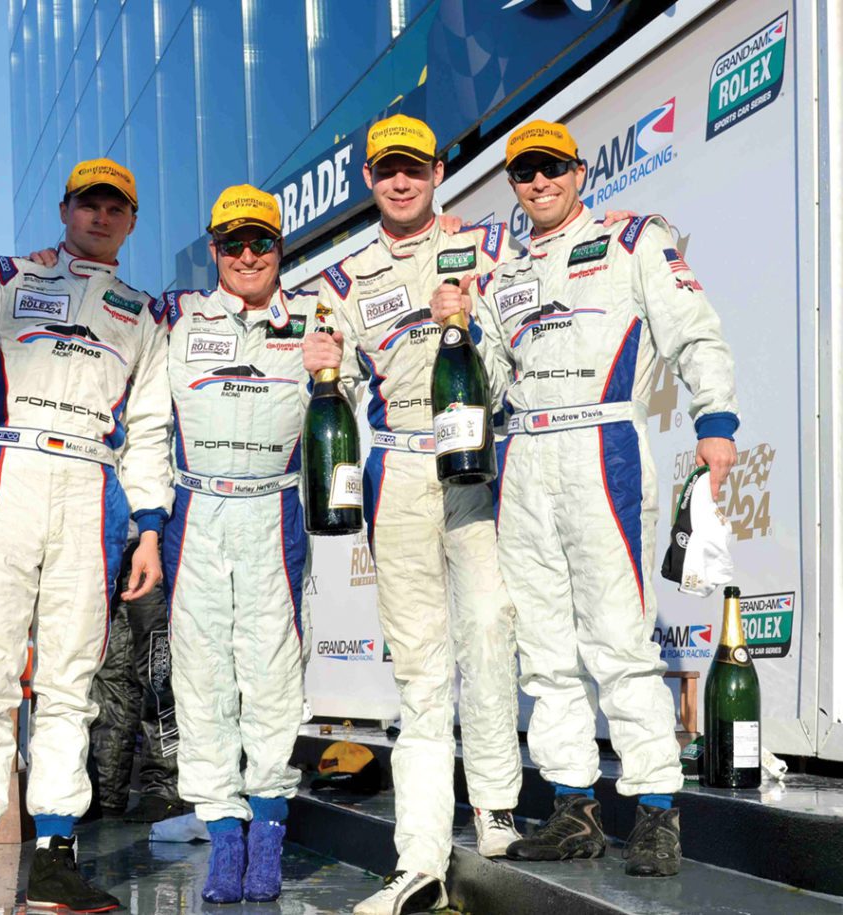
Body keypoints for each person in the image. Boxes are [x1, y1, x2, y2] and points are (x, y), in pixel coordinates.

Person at [434, 119, 738, 878]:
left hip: (604, 448)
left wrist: (716, 421)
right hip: (524, 459)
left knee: (617, 639)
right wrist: (461, 335)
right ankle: (575, 805)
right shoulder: (503, 276)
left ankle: (658, 811)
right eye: (526, 172)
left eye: (552, 169)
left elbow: (694, 332)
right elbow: (495, 384)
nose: (540, 183)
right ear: (515, 183)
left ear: (579, 171)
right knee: (544, 650)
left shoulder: (635, 240)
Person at [0, 157, 173, 915]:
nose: (101, 215)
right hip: (8, 464)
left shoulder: (142, 313)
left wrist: (149, 528)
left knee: (71, 680)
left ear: (131, 220)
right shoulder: (9, 274)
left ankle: (54, 854)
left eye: (116, 206)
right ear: (66, 208)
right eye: (89, 203)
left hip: (92, 476)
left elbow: (148, 430)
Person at [31, 183, 317, 905]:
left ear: (279, 249)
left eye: (261, 243)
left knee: (274, 681)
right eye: (232, 244)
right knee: (200, 683)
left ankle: (270, 831)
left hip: (273, 511)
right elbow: (147, 423)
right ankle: (225, 834)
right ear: (213, 251)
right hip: (196, 516)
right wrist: (150, 530)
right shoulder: (174, 316)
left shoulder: (319, 313)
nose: (247, 256)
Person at [301, 114, 526, 915]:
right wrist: (322, 367)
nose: (401, 182)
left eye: (415, 169)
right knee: (422, 670)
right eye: (387, 170)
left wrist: (469, 310)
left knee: (492, 630)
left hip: (469, 459)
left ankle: (499, 811)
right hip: (396, 462)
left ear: (438, 172)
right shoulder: (344, 278)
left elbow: (512, 356)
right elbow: (334, 385)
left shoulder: (483, 244)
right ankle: (419, 853)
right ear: (368, 178)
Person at [87, 521, 183, 823]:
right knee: (109, 678)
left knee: (159, 677)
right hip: (114, 553)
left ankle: (166, 789)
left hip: (160, 546)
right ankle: (106, 793)